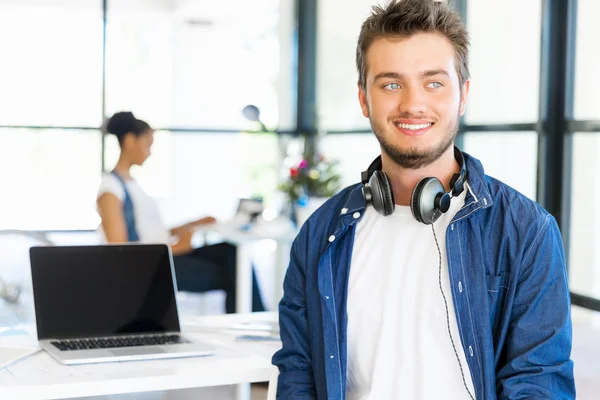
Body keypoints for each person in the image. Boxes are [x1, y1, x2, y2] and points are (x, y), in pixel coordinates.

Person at [272, 0, 575, 399]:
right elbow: (299, 372)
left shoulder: (525, 231)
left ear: (462, 95)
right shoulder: (321, 234)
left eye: (434, 82)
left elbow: (539, 383)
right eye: (391, 84)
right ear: (364, 99)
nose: (413, 104)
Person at [96, 111, 265, 314]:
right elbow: (121, 251)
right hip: (152, 266)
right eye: (147, 144)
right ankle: (252, 322)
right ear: (130, 141)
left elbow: (150, 232)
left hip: (166, 253)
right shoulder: (111, 190)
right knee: (236, 273)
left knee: (233, 251)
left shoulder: (130, 183)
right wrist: (176, 247)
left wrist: (192, 224)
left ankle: (252, 319)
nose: (150, 152)